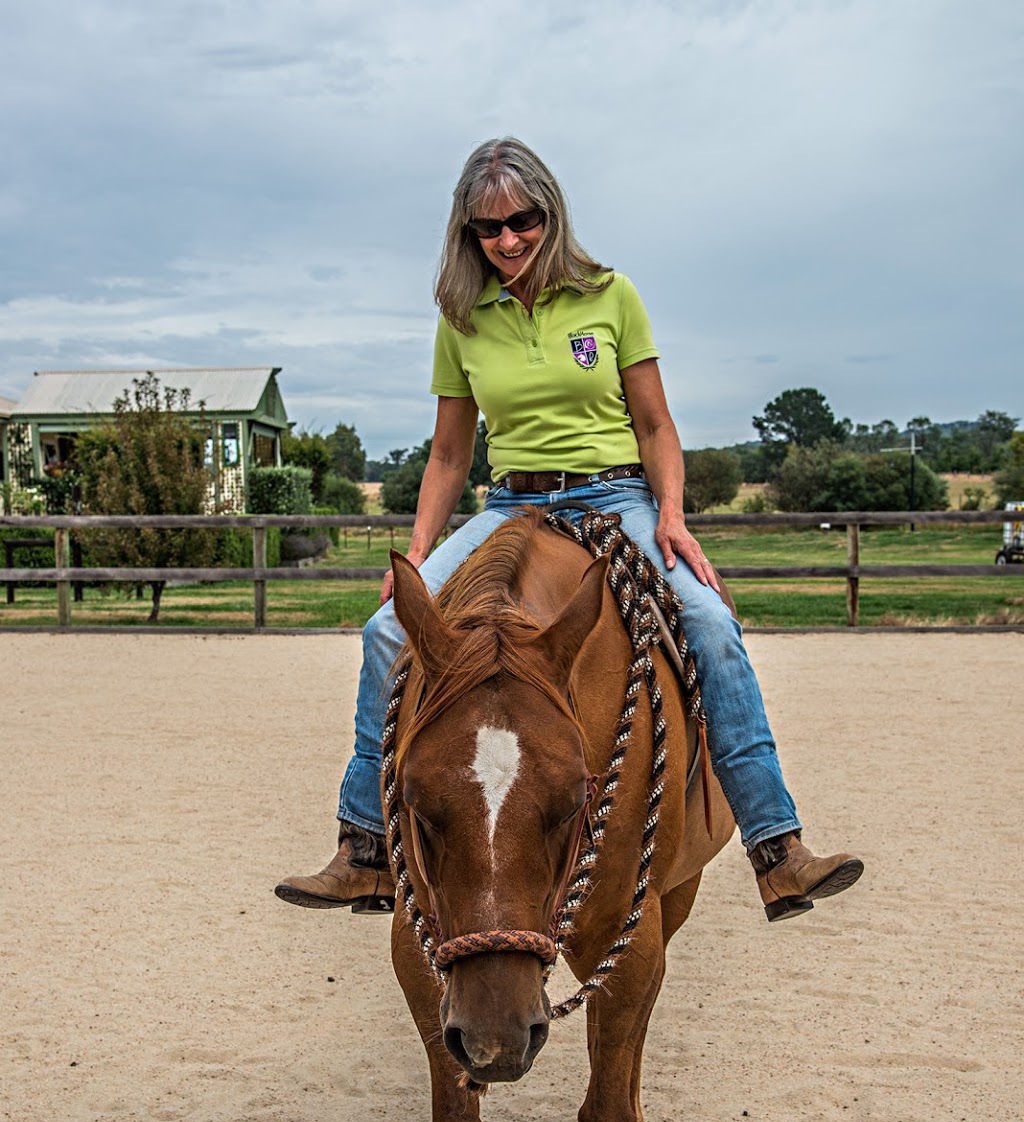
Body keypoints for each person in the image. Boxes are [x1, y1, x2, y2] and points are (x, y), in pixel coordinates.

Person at [275, 138, 863, 924]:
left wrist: (675, 518)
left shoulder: (609, 295)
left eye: (523, 220)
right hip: (510, 503)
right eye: (490, 228)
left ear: (550, 215)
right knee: (387, 630)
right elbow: (451, 451)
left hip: (616, 496)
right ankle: (363, 851)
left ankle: (776, 848)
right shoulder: (462, 317)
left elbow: (656, 426)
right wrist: (416, 554)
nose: (509, 239)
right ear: (467, 234)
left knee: (713, 624)